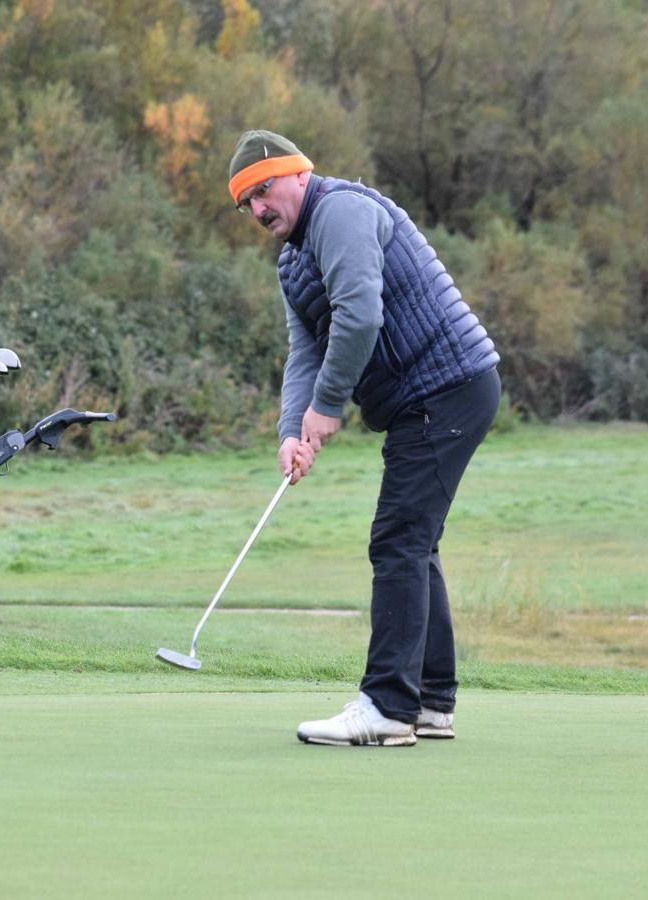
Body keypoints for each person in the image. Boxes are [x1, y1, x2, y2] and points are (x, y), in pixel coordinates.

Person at [227, 130, 501, 747]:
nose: (258, 209)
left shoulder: (342, 211)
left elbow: (360, 313)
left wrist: (328, 408)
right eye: (246, 203)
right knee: (414, 540)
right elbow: (306, 352)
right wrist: (293, 431)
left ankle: (387, 707)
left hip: (449, 384)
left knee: (398, 538)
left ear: (297, 174)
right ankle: (430, 704)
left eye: (263, 191)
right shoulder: (292, 262)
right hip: (425, 398)